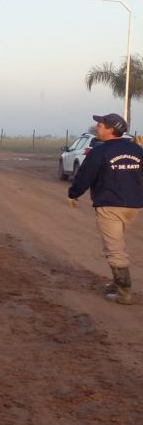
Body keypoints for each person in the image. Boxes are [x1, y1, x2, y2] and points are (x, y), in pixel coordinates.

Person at [68, 112, 143, 304]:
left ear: (111, 130)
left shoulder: (100, 152)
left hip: (110, 205)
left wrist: (74, 193)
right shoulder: (136, 149)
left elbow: (85, 176)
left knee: (114, 248)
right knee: (114, 244)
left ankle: (124, 292)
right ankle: (117, 282)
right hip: (133, 205)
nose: (97, 127)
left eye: (101, 125)